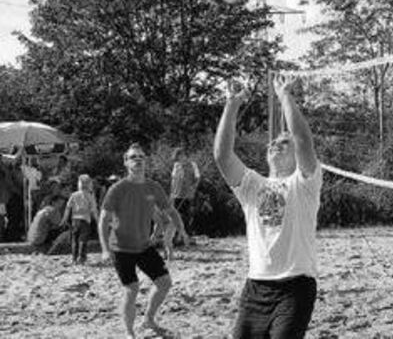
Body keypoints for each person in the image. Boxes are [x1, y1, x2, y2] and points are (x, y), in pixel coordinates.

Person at [214, 77, 323, 339]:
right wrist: (232, 104)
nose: (275, 144)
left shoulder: (304, 182)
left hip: (295, 286)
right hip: (255, 287)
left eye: (284, 143)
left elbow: (304, 141)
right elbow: (222, 155)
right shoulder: (252, 184)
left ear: (295, 153)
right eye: (272, 143)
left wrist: (285, 96)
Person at [98, 143, 189, 339]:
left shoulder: (153, 187)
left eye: (141, 157)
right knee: (132, 288)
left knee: (164, 283)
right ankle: (130, 333)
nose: (137, 160)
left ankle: (148, 318)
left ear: (145, 161)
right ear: (126, 162)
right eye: (133, 157)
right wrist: (105, 249)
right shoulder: (118, 188)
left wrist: (181, 229)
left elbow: (170, 211)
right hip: (120, 248)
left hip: (143, 246)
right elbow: (103, 220)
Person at [60, 174, 99, 264]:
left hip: (75, 220)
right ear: (89, 184)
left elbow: (68, 207)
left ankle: (74, 258)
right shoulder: (90, 196)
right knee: (83, 240)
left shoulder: (74, 195)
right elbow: (94, 210)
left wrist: (64, 219)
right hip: (85, 220)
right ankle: (81, 258)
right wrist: (97, 221)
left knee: (74, 240)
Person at [170, 147, 200, 245]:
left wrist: (193, 187)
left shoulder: (193, 165)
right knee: (176, 216)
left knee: (187, 215)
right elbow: (174, 180)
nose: (180, 158)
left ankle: (187, 237)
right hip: (177, 194)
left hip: (188, 194)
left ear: (185, 155)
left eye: (181, 155)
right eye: (178, 156)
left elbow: (197, 178)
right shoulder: (176, 165)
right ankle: (176, 237)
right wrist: (172, 192)